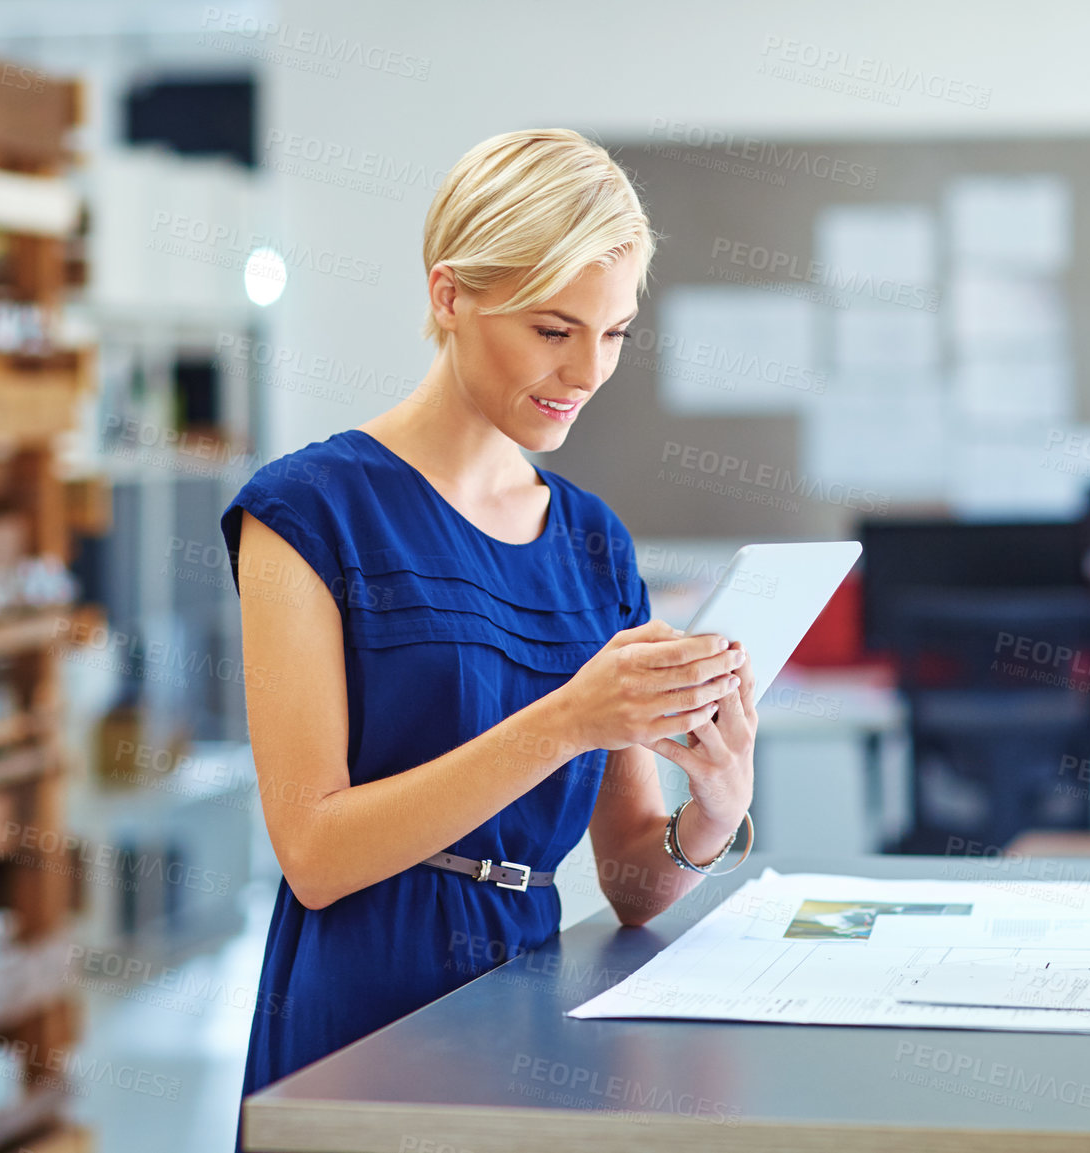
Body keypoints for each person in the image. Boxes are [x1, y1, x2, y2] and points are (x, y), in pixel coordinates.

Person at [220, 128, 758, 1120]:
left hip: (533, 996)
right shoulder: (307, 512)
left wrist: (715, 807)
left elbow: (632, 881)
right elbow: (315, 851)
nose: (588, 369)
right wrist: (568, 720)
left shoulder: (593, 541)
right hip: (362, 1004)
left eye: (614, 333)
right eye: (554, 329)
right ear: (449, 295)